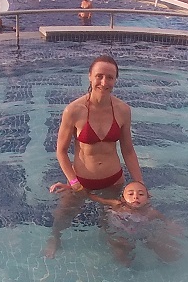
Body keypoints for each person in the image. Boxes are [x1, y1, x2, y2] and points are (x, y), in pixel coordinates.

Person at [45, 54, 143, 258]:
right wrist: (74, 182)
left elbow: (128, 150)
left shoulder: (123, 110)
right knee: (62, 217)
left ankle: (110, 246)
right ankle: (55, 238)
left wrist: (139, 184)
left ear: (116, 80)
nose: (104, 82)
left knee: (111, 223)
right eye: (99, 76)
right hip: (81, 181)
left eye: (110, 77)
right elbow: (61, 151)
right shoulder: (73, 110)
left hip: (114, 181)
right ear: (90, 76)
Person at [89, 181, 181, 265]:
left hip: (141, 234)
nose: (136, 197)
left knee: (157, 243)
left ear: (148, 199)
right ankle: (126, 266)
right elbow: (99, 200)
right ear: (123, 198)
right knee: (119, 251)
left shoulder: (151, 212)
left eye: (141, 194)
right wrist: (86, 193)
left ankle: (165, 260)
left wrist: (171, 225)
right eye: (130, 194)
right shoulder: (117, 205)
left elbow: (164, 220)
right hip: (119, 235)